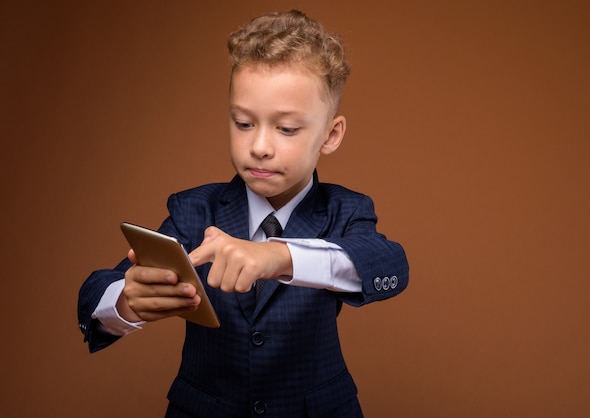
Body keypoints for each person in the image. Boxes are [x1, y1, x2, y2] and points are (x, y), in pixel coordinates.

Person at [78, 9, 409, 417]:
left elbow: (389, 265)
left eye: (286, 129)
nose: (260, 147)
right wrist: (126, 302)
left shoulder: (346, 209)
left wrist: (279, 256)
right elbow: (97, 290)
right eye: (243, 123)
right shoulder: (194, 209)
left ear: (330, 134)